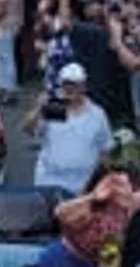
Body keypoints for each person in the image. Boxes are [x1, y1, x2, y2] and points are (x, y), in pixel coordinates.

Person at [27, 62, 114, 194]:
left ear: (83, 87)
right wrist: (38, 107)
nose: (69, 89)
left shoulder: (97, 114)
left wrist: (95, 184)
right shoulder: (53, 108)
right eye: (66, 84)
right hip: (49, 182)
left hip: (82, 186)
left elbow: (106, 151)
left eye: (74, 84)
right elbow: (28, 129)